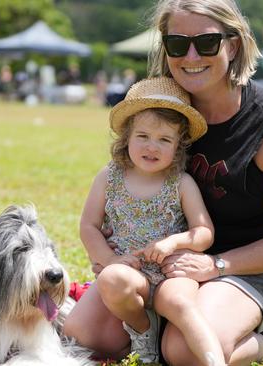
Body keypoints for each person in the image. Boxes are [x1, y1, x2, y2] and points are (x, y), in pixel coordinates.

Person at [64, 0, 263, 365]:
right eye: (177, 44)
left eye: (207, 42)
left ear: (233, 45)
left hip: (241, 270)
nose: (191, 55)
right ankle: (159, 324)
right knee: (85, 337)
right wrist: (109, 258)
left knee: (183, 353)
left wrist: (216, 266)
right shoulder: (162, 111)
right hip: (162, 269)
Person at [75, 76, 226, 365]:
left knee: (180, 303)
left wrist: (173, 242)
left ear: (178, 146)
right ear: (127, 137)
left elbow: (204, 231)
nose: (152, 147)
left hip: (172, 271)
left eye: (164, 139)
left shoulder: (180, 183)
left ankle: (214, 360)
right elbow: (88, 226)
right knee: (85, 320)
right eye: (143, 136)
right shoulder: (109, 177)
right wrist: (108, 258)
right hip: (130, 273)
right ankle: (145, 333)